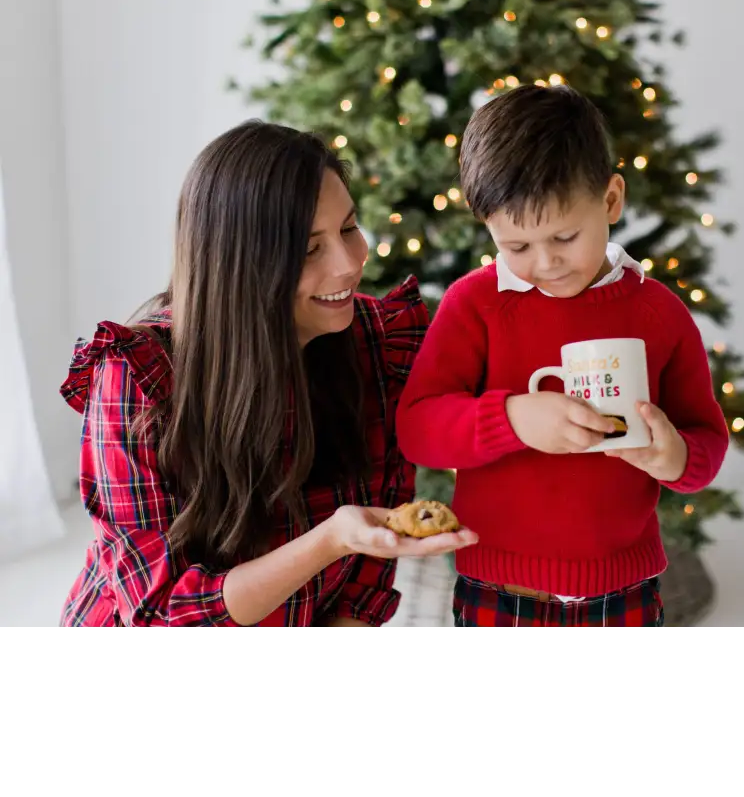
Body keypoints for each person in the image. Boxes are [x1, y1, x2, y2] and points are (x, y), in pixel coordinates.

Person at [58, 120, 477, 628]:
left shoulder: (374, 338)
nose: (348, 264)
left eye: (348, 228)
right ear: (240, 264)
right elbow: (163, 612)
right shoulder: (139, 378)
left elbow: (371, 558)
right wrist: (329, 541)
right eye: (308, 249)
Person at [396, 84, 730, 629]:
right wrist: (510, 418)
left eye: (565, 236)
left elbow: (706, 441)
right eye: (517, 247)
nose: (546, 262)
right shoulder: (476, 305)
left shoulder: (659, 315)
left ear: (611, 200)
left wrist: (675, 459)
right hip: (499, 586)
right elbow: (418, 427)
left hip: (622, 587)